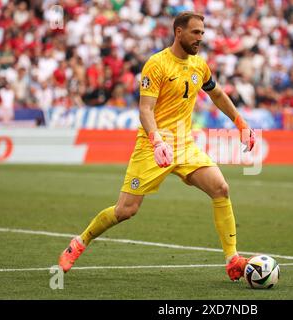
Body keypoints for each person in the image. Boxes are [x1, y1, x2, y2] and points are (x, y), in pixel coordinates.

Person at [58, 12, 256, 282]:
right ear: (178, 32)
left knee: (220, 188)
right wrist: (157, 141)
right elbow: (145, 109)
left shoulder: (199, 65)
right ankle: (79, 242)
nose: (201, 38)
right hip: (153, 146)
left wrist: (241, 123)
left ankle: (232, 259)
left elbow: (217, 94)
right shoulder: (157, 64)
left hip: (184, 144)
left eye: (202, 33)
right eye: (195, 33)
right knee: (126, 210)